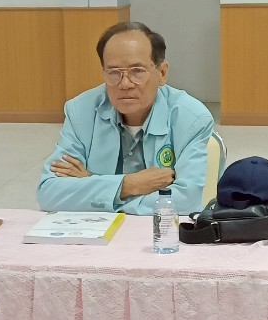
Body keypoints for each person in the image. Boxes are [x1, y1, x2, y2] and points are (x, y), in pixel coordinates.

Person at [38, 21, 214, 215]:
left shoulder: (192, 118)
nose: (125, 84)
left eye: (137, 71)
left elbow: (186, 201)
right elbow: (49, 193)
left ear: (162, 73)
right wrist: (129, 185)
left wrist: (92, 186)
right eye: (113, 72)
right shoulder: (81, 111)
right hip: (96, 231)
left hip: (160, 230)